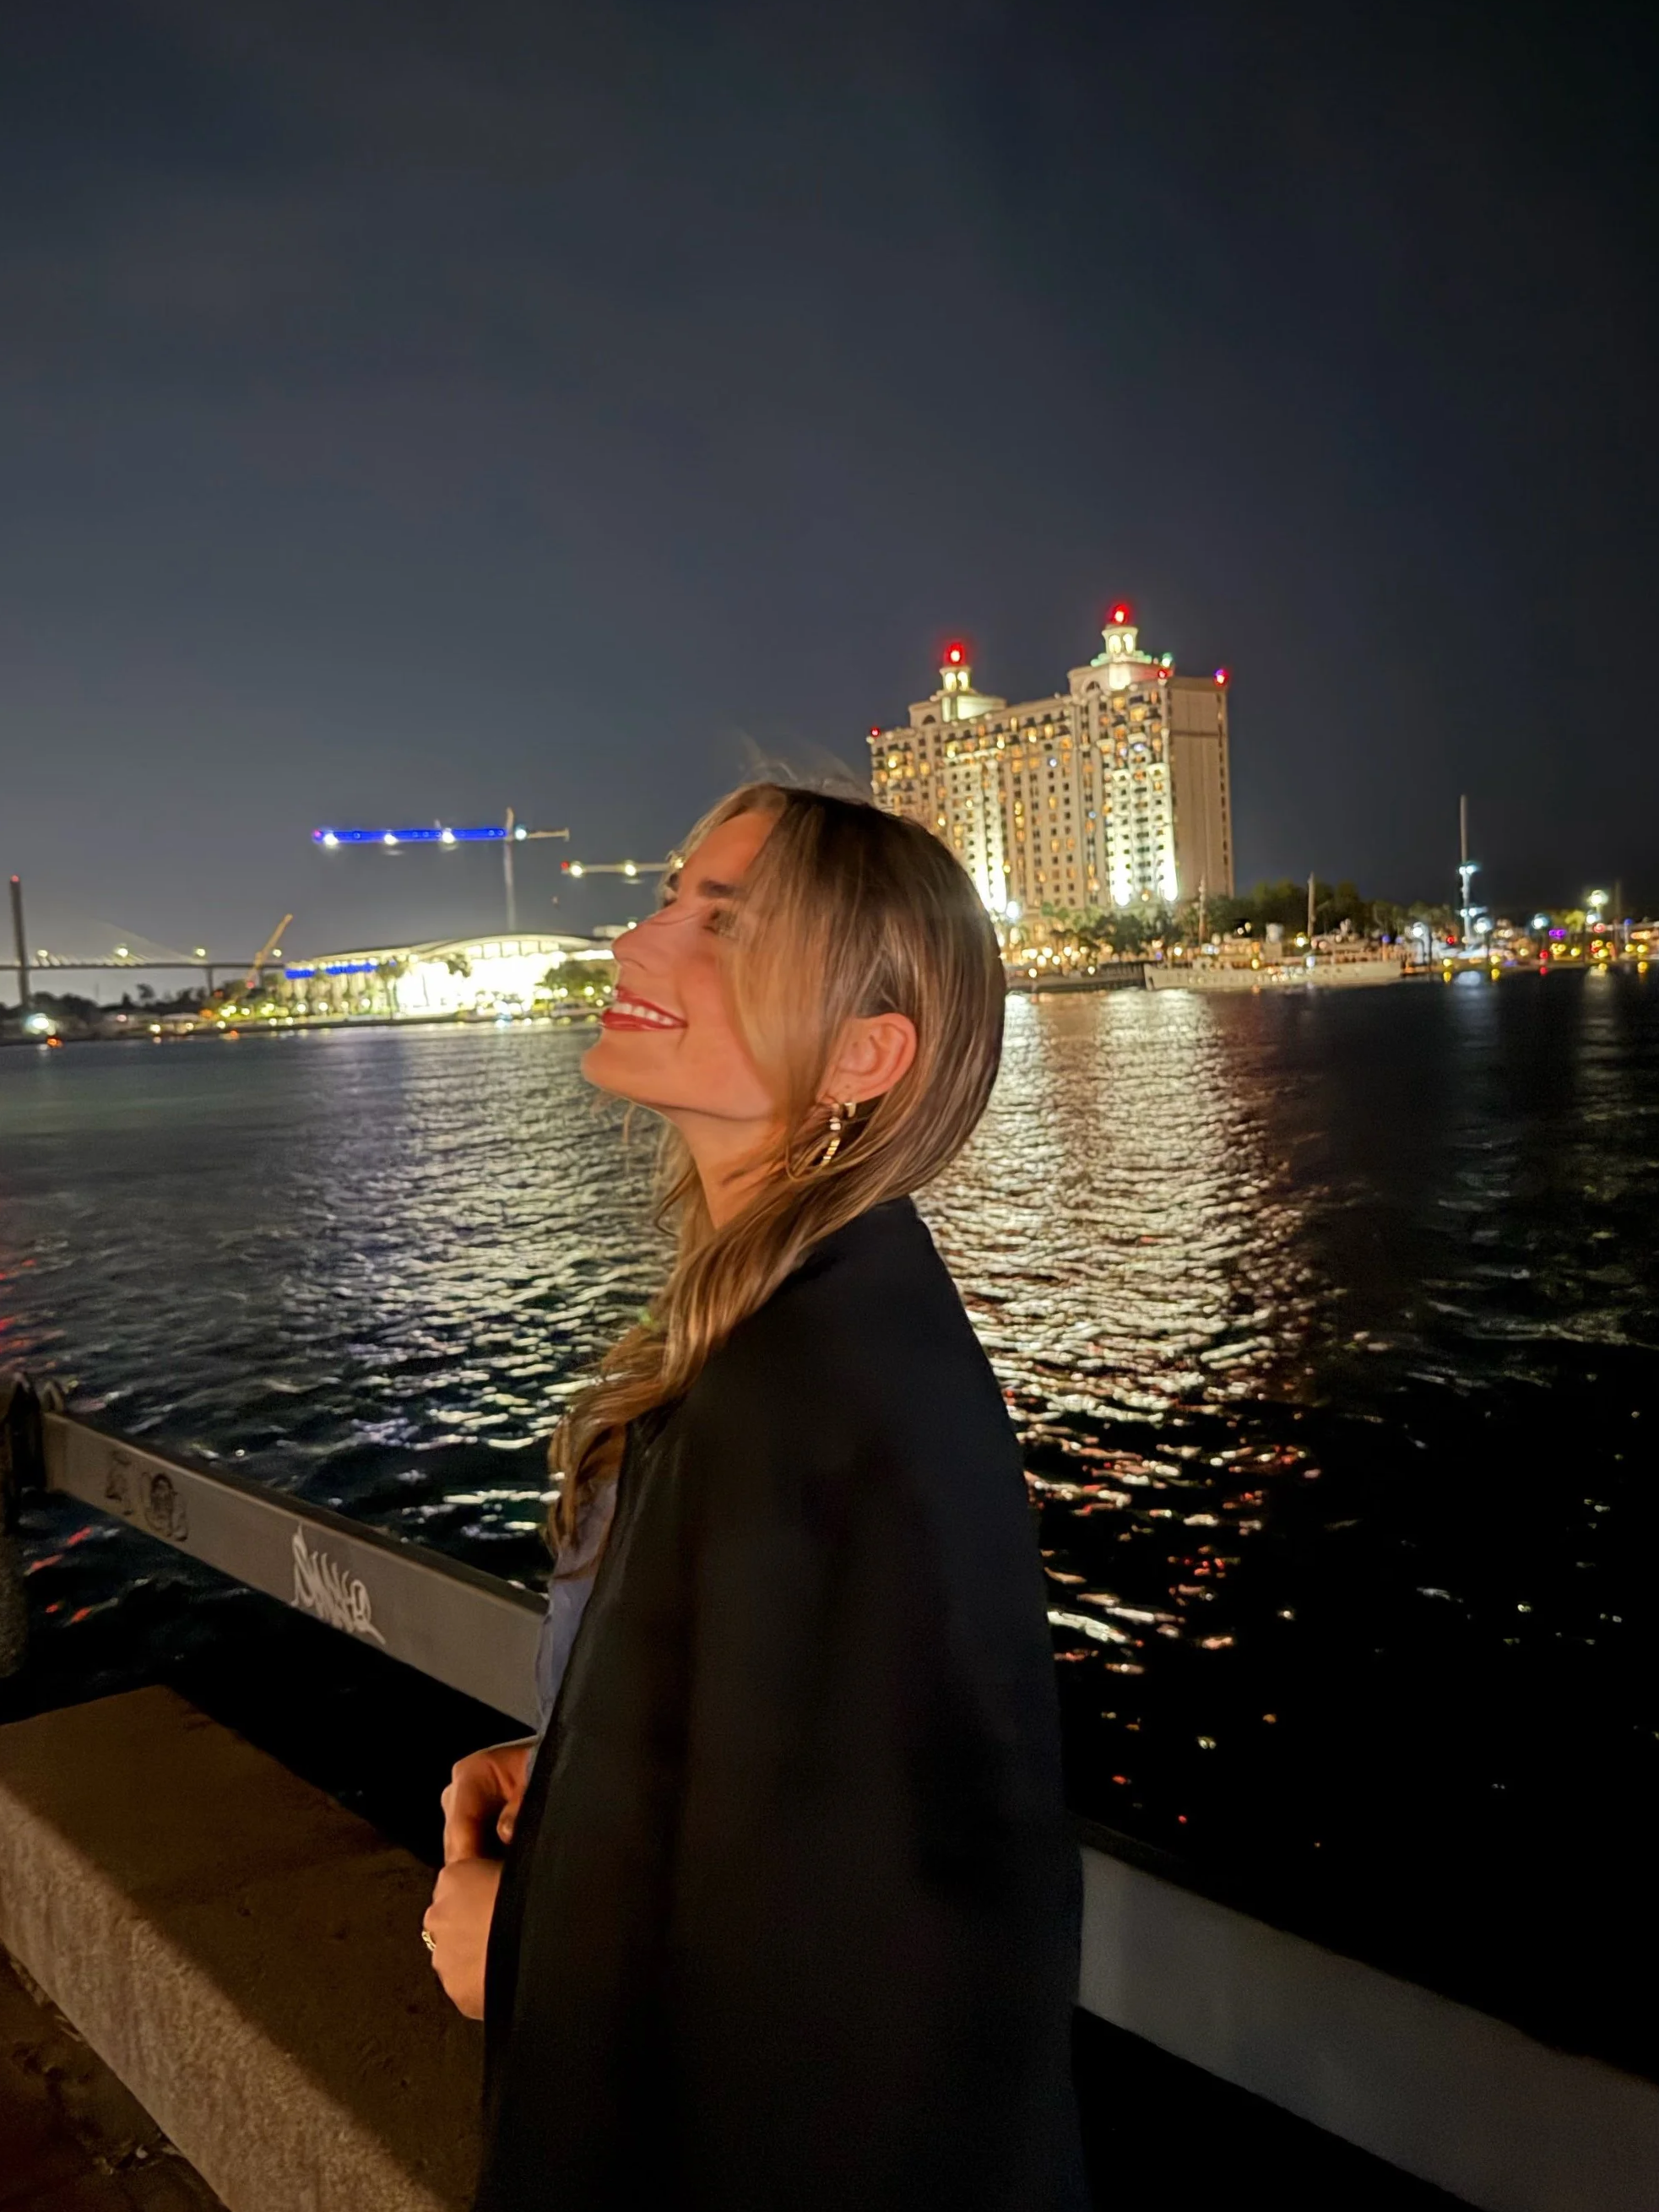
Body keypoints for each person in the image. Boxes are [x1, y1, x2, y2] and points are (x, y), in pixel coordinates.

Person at [424, 782, 1087, 2210]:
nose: (638, 940)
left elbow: (845, 1951)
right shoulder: (819, 1323)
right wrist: (585, 1765)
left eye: (722, 925)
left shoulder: (803, 1396)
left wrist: (514, 1944)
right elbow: (788, 1765)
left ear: (864, 1052)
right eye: (668, 900)